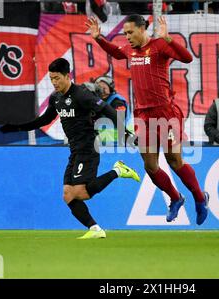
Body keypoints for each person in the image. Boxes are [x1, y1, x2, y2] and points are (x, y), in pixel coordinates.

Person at [86, 14, 210, 225]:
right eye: (124, 33)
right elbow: (116, 53)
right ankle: (176, 197)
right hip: (143, 116)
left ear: (142, 29)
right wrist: (98, 38)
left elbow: (188, 58)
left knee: (174, 161)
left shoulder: (160, 45)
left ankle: (200, 197)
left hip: (166, 114)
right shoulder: (130, 50)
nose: (127, 37)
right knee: (150, 166)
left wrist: (169, 39)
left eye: (130, 32)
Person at [0, 58, 140, 239]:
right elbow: (44, 120)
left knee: (81, 192)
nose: (54, 83)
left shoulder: (81, 95)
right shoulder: (56, 98)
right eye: (51, 79)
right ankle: (95, 230)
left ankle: (118, 171)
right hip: (74, 150)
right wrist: (16, 128)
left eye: (57, 78)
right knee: (68, 195)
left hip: (89, 147)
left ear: (68, 76)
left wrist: (126, 133)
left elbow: (106, 110)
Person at [94, 76, 131, 144]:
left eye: (104, 87)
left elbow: (120, 119)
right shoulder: (99, 101)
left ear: (110, 88)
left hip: (118, 140)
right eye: (99, 87)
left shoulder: (117, 101)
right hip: (105, 139)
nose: (101, 90)